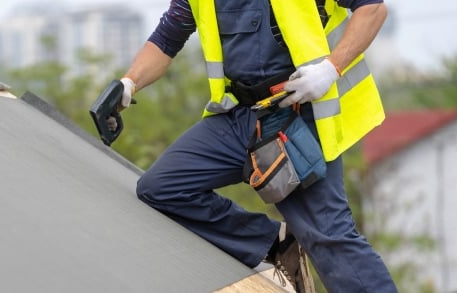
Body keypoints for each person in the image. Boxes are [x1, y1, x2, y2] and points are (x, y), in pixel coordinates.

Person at [112, 0, 398, 292]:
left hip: (298, 116)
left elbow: (373, 9)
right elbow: (166, 38)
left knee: (329, 236)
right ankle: (277, 243)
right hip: (241, 115)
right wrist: (129, 83)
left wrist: (330, 70)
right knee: (162, 188)